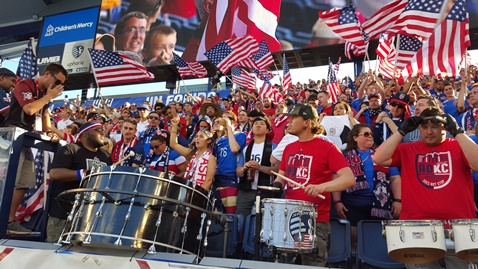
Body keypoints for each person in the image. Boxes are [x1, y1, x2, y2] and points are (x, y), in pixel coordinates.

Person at [373, 107, 478, 269]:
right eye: (424, 127)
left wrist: (457, 131)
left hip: (458, 229)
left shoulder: (459, 146)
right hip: (417, 229)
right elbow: (378, 158)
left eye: (435, 126)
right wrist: (401, 132)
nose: (429, 131)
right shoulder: (408, 149)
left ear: (445, 127)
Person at [272, 103, 355, 266]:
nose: (289, 122)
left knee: (312, 264)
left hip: (315, 221)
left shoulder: (328, 147)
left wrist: (321, 187)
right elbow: (281, 177)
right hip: (289, 217)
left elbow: (349, 178)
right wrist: (275, 188)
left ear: (307, 122)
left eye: (294, 118)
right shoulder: (289, 147)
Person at [3, 63, 66, 234]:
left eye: (62, 84)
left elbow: (46, 123)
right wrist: (48, 97)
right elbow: (30, 109)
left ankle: (9, 220)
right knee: (6, 181)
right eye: (57, 81)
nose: (59, 87)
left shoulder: (44, 94)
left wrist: (52, 133)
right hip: (10, 138)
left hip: (26, 139)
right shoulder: (25, 84)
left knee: (25, 182)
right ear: (47, 74)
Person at [332, 124, 401, 249]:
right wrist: (337, 201)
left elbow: (395, 178)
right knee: (354, 239)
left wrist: (397, 200)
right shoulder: (343, 155)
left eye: (371, 134)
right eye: (366, 134)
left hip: (380, 204)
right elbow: (337, 177)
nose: (370, 136)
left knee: (379, 241)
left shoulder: (382, 154)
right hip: (352, 205)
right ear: (355, 137)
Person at [47, 122, 112, 242]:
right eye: (98, 129)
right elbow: (54, 173)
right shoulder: (71, 149)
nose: (103, 132)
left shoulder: (106, 156)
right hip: (64, 213)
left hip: (91, 216)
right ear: (86, 133)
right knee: (55, 253)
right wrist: (83, 174)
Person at [236, 117, 278, 219]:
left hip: (265, 189)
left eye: (262, 124)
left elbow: (278, 170)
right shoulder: (246, 148)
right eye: (255, 124)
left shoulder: (274, 147)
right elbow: (238, 171)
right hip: (246, 190)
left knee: (264, 221)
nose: (258, 125)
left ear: (267, 130)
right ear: (252, 128)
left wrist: (259, 167)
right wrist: (244, 168)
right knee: (240, 220)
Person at [169, 115, 216, 191]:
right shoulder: (191, 153)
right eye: (196, 136)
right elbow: (173, 144)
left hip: (198, 195)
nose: (197, 139)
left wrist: (196, 196)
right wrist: (174, 126)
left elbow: (208, 180)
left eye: (201, 137)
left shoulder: (211, 158)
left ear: (208, 140)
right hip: (186, 191)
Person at [213, 115, 247, 213]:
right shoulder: (220, 140)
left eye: (228, 118)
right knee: (216, 214)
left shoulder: (240, 135)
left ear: (234, 122)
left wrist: (229, 128)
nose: (224, 120)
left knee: (230, 214)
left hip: (231, 179)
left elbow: (234, 149)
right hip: (218, 179)